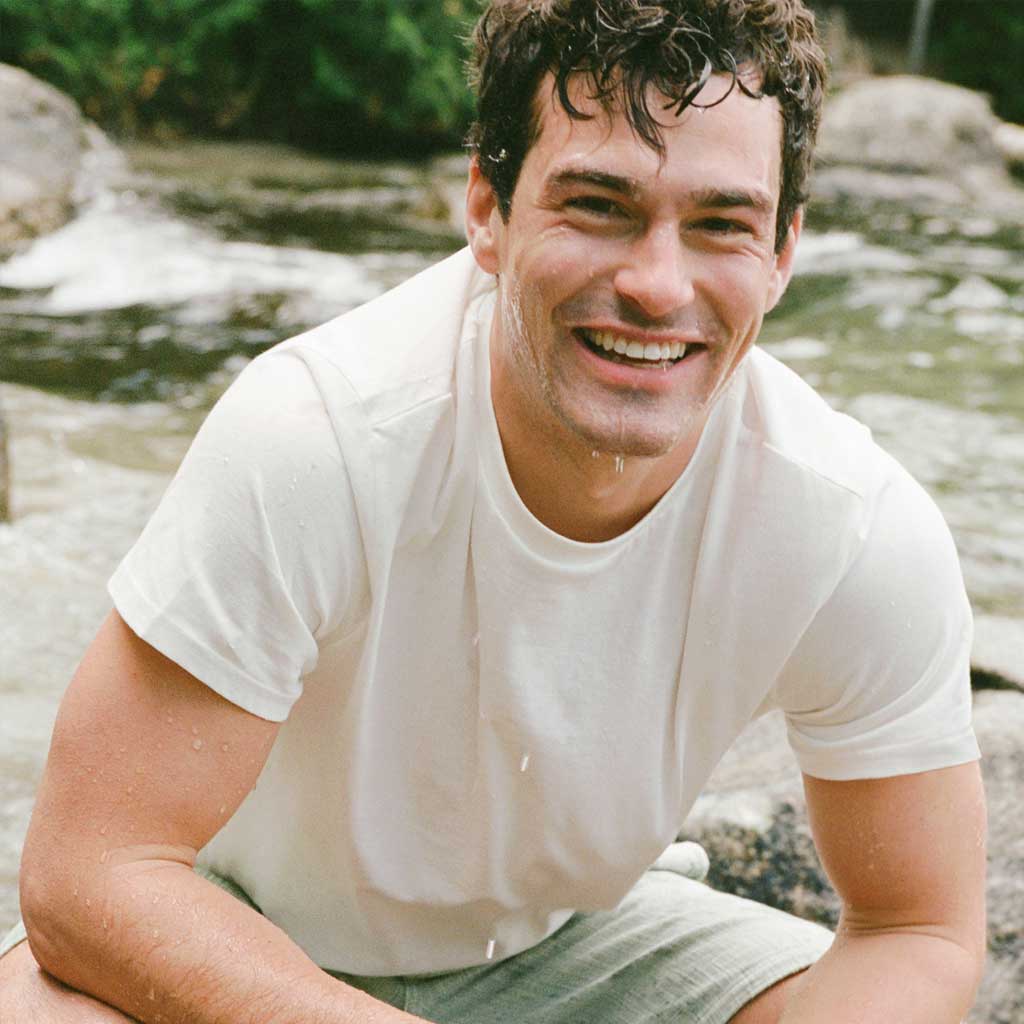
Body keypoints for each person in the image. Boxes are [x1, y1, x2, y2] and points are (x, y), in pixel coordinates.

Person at [0, 1, 987, 1022]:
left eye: (720, 225)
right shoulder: (319, 439)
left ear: (782, 251)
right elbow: (92, 872)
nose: (656, 285)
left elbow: (917, 930)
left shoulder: (848, 527)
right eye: (597, 205)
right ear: (486, 208)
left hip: (569, 945)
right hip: (232, 924)